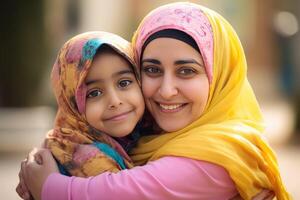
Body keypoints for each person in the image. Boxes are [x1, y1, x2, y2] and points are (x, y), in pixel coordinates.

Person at [17, 2, 290, 200]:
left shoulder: (221, 154)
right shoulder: (144, 136)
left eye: (186, 71)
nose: (167, 90)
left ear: (219, 75)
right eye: (152, 70)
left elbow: (122, 192)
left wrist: (49, 185)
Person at [16, 31, 146, 198]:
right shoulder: (87, 163)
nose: (115, 101)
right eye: (94, 93)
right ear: (72, 104)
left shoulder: (142, 138)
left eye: (124, 83)